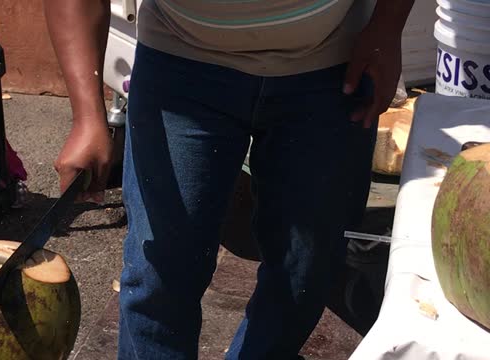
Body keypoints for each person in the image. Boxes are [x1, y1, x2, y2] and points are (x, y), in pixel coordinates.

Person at [43, 0, 415, 358]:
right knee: (160, 273)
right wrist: (87, 116)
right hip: (181, 64)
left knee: (307, 268)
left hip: (332, 64)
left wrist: (388, 24)